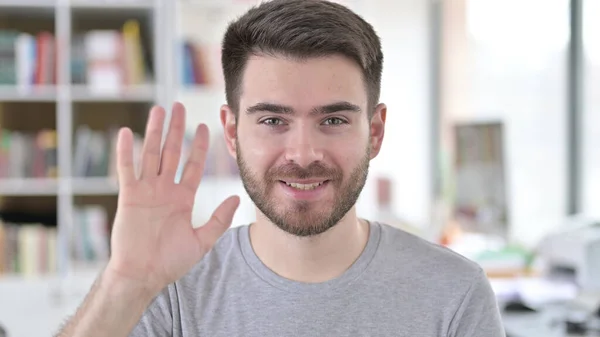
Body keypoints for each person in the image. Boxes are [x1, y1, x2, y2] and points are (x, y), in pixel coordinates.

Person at [56, 0, 505, 336]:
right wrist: (125, 284)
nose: (304, 153)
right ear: (231, 133)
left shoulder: (454, 294)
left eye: (333, 120)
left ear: (375, 131)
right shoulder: (170, 287)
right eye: (273, 120)